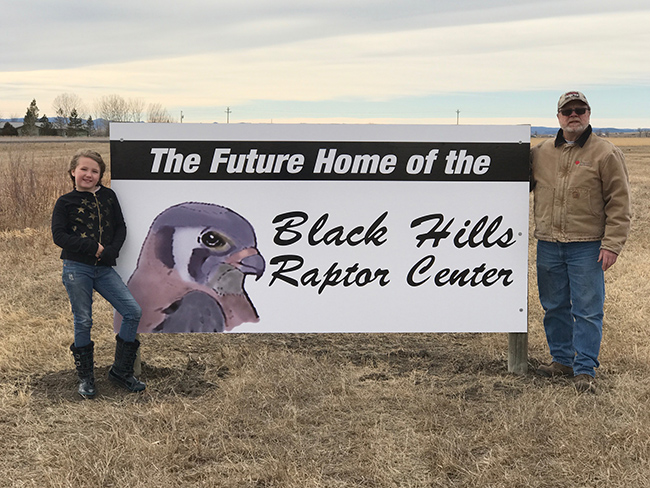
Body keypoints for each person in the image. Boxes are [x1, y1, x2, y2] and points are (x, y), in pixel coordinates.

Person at [530, 91, 631, 393]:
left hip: (586, 245)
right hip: (548, 241)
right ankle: (561, 361)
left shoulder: (606, 153)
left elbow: (620, 203)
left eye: (580, 110)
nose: (573, 115)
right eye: (567, 110)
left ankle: (584, 369)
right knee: (553, 306)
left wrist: (612, 244)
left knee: (587, 309)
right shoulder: (540, 153)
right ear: (558, 116)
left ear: (589, 114)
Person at [52, 149, 146, 398]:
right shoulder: (65, 202)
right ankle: (86, 379)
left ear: (101, 175)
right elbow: (59, 236)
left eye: (95, 171)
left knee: (132, 311)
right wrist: (92, 247)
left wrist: (109, 252)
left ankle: (121, 372)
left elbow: (121, 228)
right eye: (84, 169)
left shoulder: (109, 197)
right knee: (83, 320)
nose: (88, 174)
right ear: (73, 171)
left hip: (104, 269)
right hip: (76, 268)